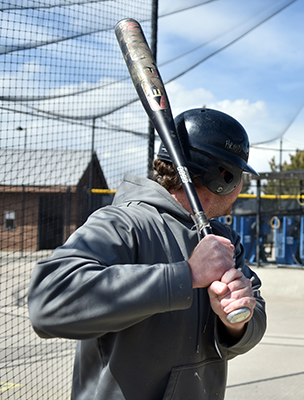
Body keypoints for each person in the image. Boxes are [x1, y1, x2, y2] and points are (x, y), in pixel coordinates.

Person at [28, 108, 267, 400]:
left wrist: (236, 323)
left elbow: (254, 318)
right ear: (224, 177)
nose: (241, 186)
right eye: (239, 175)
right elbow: (47, 302)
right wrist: (186, 275)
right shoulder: (122, 224)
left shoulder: (223, 239)